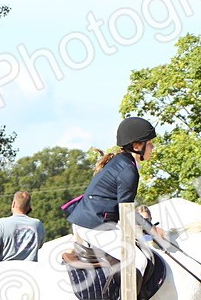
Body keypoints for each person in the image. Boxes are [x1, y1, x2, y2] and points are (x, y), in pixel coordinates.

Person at [66, 117, 158, 277]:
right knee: (140, 261)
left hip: (93, 219)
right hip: (93, 223)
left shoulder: (123, 162)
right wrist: (152, 230)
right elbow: (126, 211)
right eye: (149, 143)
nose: (153, 148)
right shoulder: (128, 170)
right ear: (137, 146)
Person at [0, 190, 46, 262]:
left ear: (13, 203)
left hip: (7, 269)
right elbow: (40, 246)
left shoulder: (2, 223)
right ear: (28, 207)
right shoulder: (38, 224)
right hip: (31, 270)